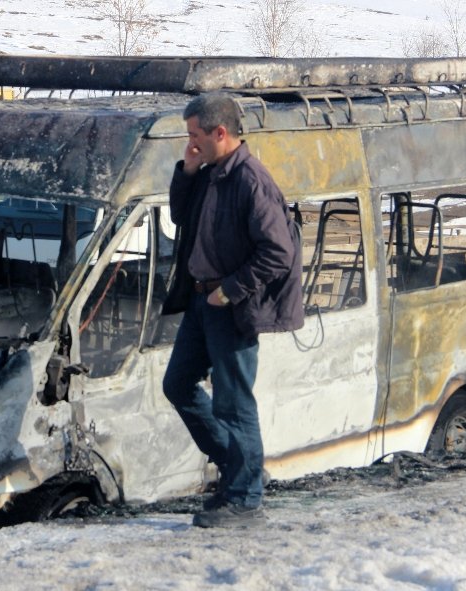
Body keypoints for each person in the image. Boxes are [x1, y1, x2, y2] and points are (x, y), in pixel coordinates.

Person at [162, 93, 303, 528]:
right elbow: (180, 215)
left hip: (231, 307)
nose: (191, 143)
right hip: (202, 302)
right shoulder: (208, 172)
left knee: (234, 402)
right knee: (178, 384)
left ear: (220, 133)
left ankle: (244, 498)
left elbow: (277, 251)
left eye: (194, 136)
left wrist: (232, 289)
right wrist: (186, 171)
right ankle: (237, 466)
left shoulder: (250, 181)